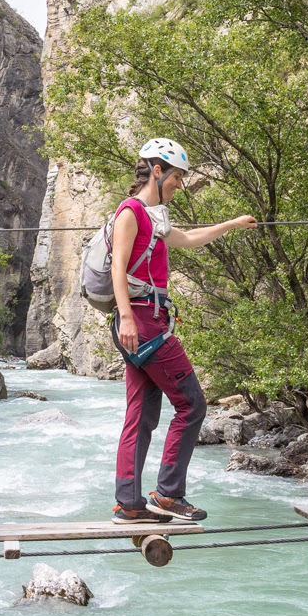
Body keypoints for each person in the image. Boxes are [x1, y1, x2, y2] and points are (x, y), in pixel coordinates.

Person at [110, 137, 256, 525]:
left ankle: (129, 503)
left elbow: (190, 240)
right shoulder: (131, 213)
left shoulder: (153, 219)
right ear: (157, 171)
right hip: (143, 322)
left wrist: (233, 224)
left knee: (141, 414)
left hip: (143, 322)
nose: (179, 184)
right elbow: (117, 267)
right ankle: (168, 494)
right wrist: (126, 317)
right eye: (176, 176)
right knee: (192, 404)